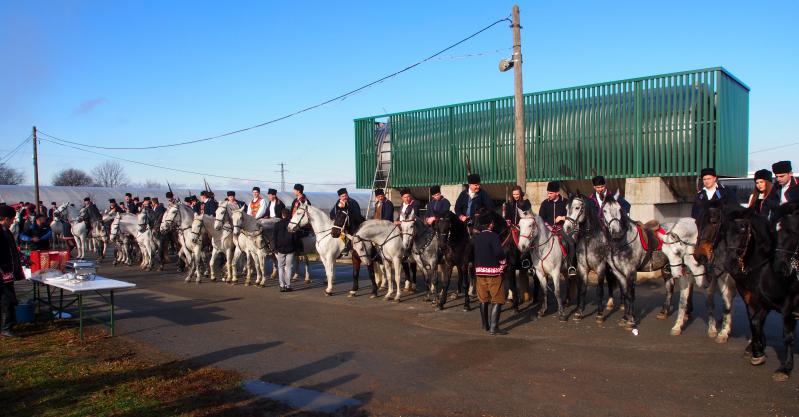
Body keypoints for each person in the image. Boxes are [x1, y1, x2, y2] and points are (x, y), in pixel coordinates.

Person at [472, 213, 506, 335]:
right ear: (490, 224)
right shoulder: (494, 236)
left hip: (479, 272)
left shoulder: (477, 237)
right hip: (494, 272)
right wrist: (503, 260)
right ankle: (494, 327)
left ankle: (485, 325)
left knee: (483, 299)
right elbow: (498, 253)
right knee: (497, 299)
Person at [0, 205, 23, 337]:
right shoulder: (2, 231)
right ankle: (6, 327)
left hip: (8, 272)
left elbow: (12, 250)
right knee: (6, 300)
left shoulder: (6, 231)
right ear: (6, 219)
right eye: (12, 220)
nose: (13, 222)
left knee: (9, 299)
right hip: (3, 273)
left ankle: (8, 324)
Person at [272, 208, 300, 292]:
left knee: (280, 267)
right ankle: (288, 286)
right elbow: (295, 237)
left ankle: (282, 285)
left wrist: (275, 248)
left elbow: (274, 237)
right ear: (290, 215)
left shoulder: (277, 224)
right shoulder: (293, 224)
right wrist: (296, 248)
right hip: (291, 248)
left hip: (280, 249)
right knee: (289, 267)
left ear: (282, 215)